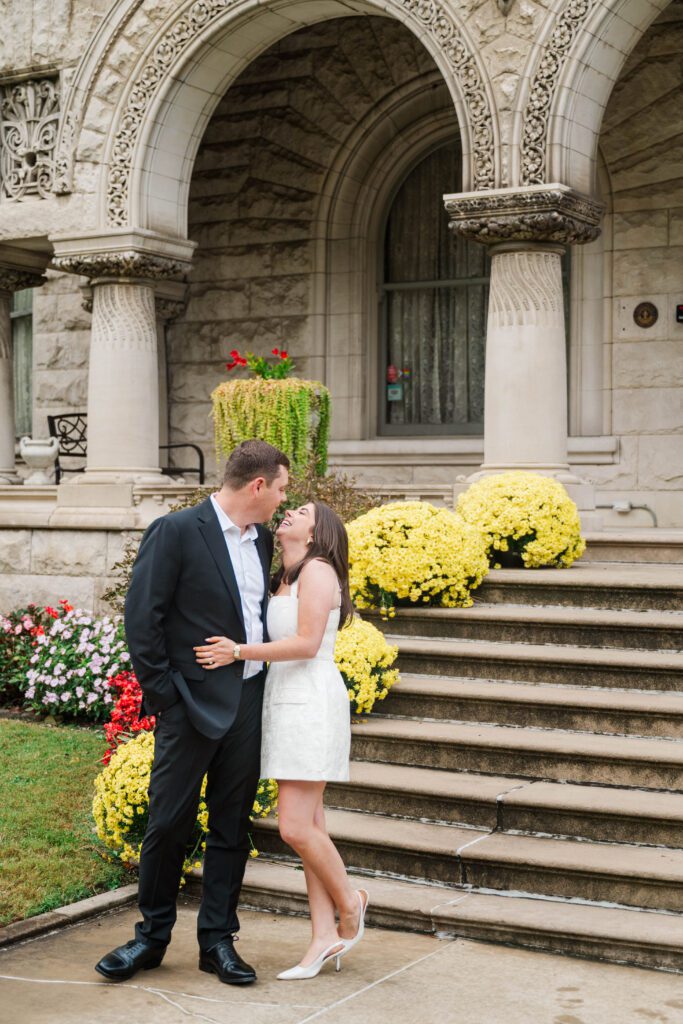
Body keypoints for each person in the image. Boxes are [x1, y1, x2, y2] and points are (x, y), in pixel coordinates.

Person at [95, 440, 289, 985]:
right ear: (257, 485)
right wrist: (168, 698)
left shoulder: (263, 540)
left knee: (232, 824)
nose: (282, 499)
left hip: (248, 700)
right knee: (168, 823)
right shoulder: (176, 531)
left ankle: (217, 942)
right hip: (189, 706)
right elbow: (143, 620)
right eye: (280, 488)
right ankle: (150, 938)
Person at [193, 500, 369, 981]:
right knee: (311, 826)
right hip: (283, 701)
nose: (289, 512)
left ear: (316, 533)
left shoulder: (318, 571)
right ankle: (323, 935)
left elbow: (308, 643)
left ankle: (351, 904)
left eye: (303, 512)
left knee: (293, 827)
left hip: (310, 702)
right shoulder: (284, 577)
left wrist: (238, 652)